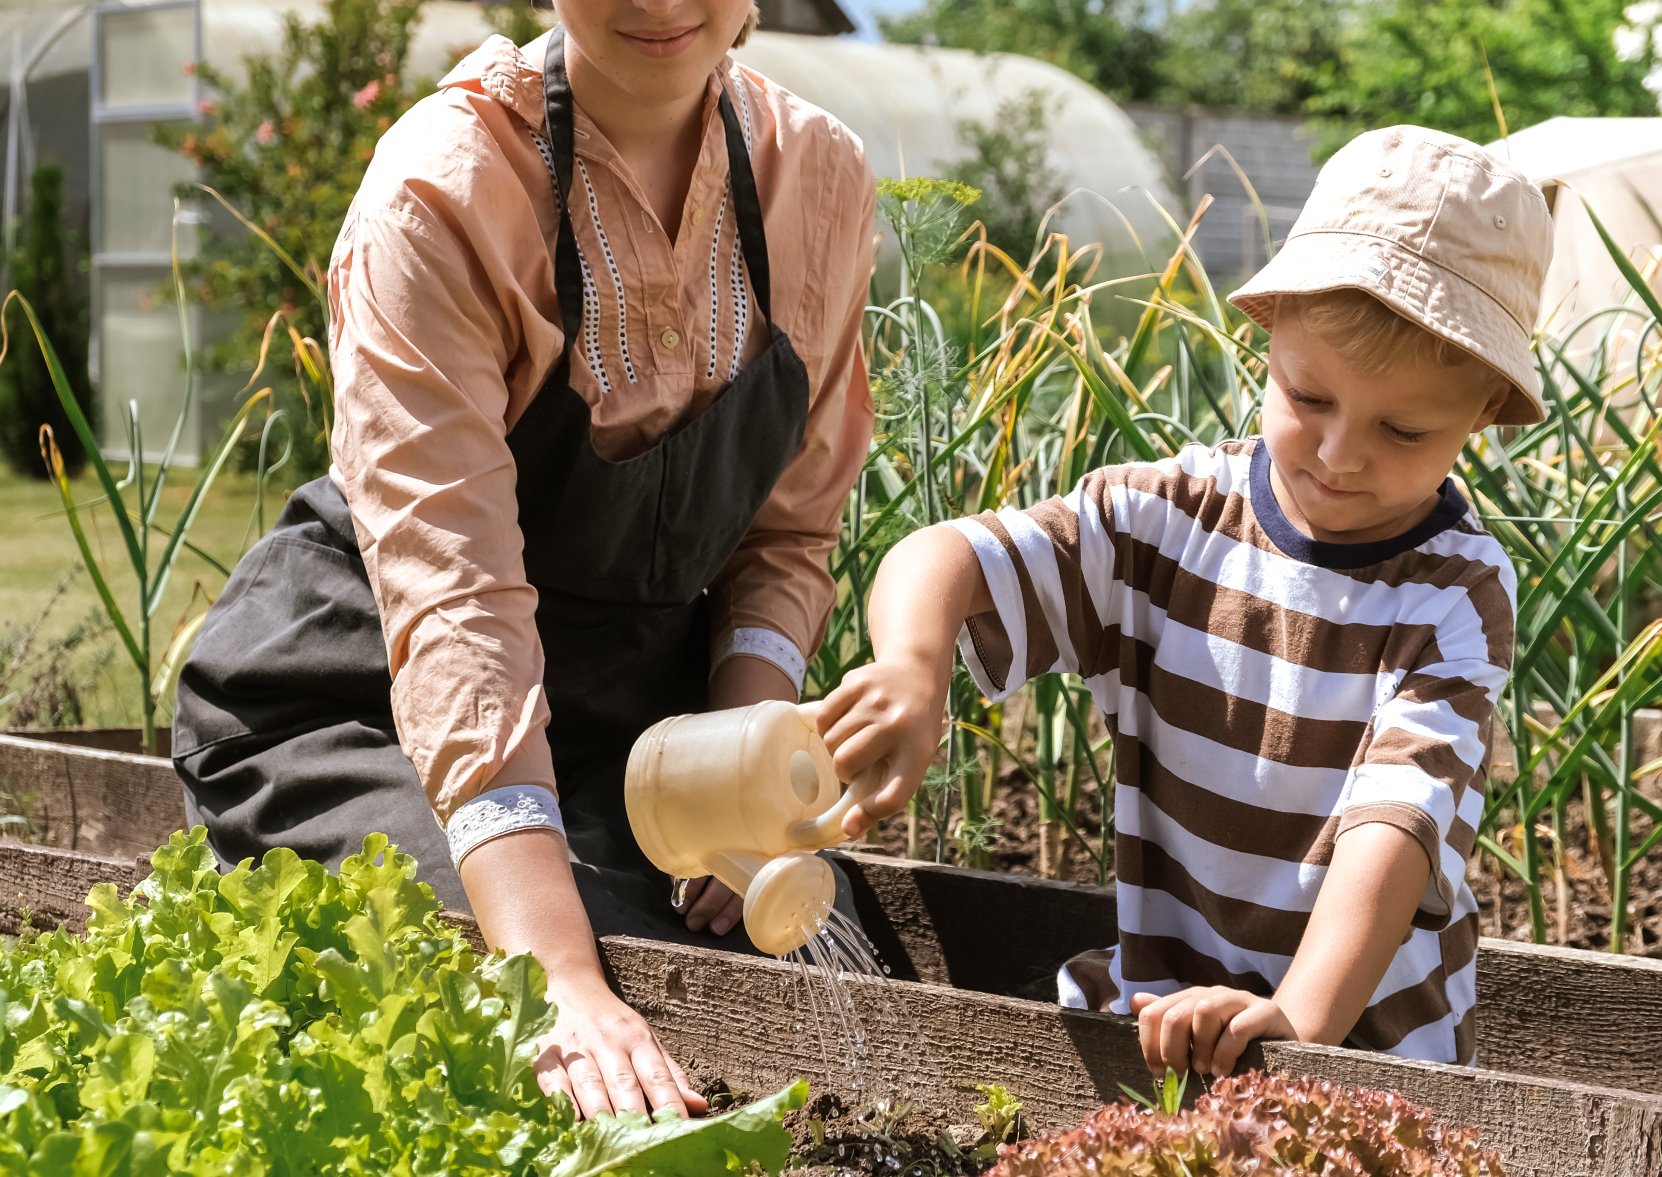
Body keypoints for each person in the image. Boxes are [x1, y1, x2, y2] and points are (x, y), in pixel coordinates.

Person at [170, 0, 876, 1121]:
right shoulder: (446, 188)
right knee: (602, 1000)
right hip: (369, 700)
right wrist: (555, 978)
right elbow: (458, 608)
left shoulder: (818, 181)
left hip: (630, 724)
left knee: (774, 944)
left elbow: (787, 536)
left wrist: (737, 774)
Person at [815, 125, 1552, 1076]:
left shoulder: (1453, 592)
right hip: (1159, 1018)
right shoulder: (1162, 522)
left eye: (1404, 430)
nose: (1339, 455)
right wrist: (913, 669)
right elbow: (945, 553)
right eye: (1308, 398)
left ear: (1486, 408)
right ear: (1271, 326)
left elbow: (1395, 830)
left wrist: (1296, 1018)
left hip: (1368, 1053)